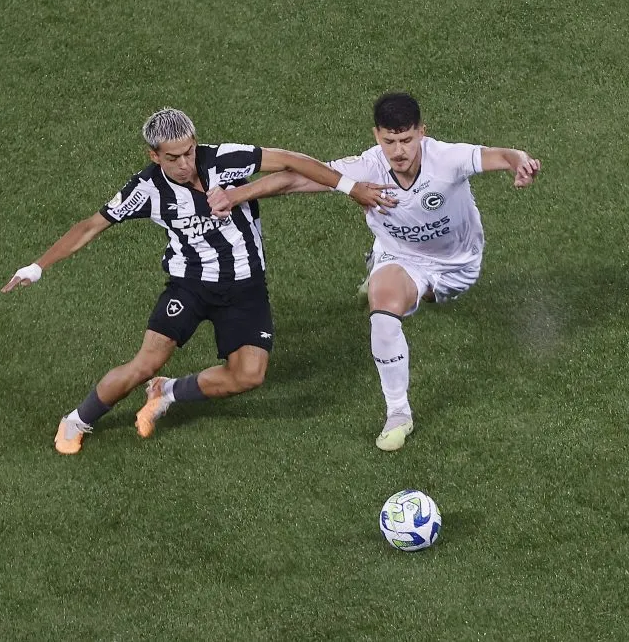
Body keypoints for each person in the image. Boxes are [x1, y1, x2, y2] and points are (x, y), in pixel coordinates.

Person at [2, 107, 394, 454]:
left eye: (189, 151)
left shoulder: (225, 159)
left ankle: (168, 391)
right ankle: (78, 420)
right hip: (190, 285)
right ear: (153, 156)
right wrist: (37, 266)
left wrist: (350, 187)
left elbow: (291, 160)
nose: (185, 163)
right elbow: (90, 227)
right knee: (146, 362)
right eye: (173, 158)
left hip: (246, 286)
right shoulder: (146, 190)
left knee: (249, 375)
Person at [207, 92, 540, 451]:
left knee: (429, 297)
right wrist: (235, 195)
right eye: (389, 141)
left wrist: (520, 163)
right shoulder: (367, 167)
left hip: (458, 265)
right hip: (402, 258)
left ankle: (385, 271)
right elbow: (293, 179)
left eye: (407, 140)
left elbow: (503, 155)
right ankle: (399, 413)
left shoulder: (447, 159)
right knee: (383, 312)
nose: (398, 151)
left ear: (422, 133)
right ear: (376, 135)